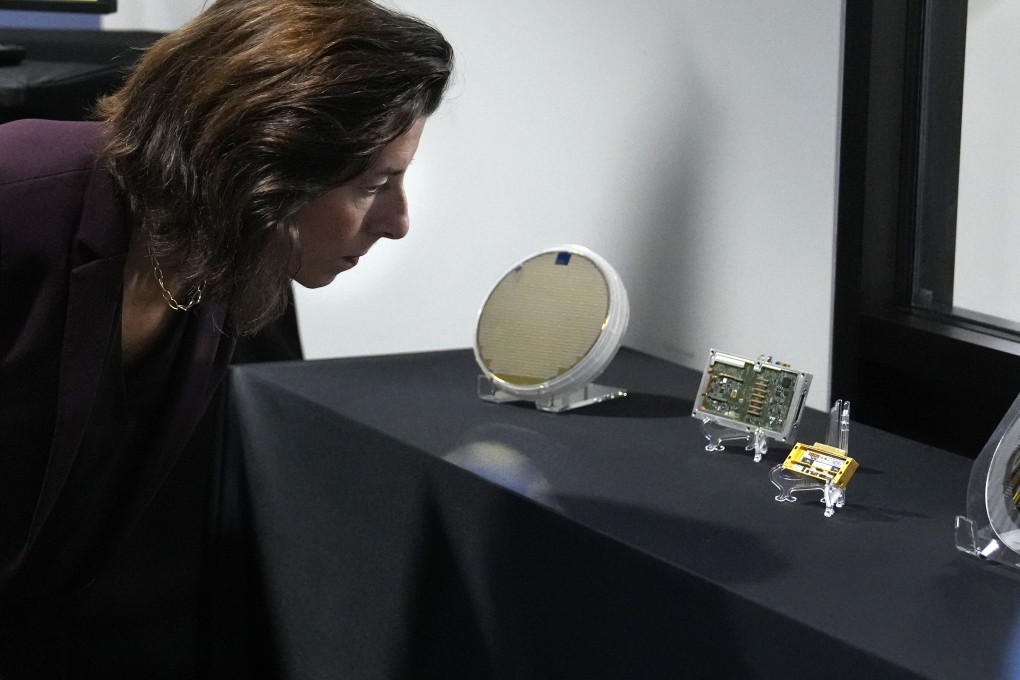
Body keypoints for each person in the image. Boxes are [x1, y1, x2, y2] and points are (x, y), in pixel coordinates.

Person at [0, 0, 453, 675]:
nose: (398, 222)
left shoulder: (234, 279)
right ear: (268, 159)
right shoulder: (18, 194)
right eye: (377, 183)